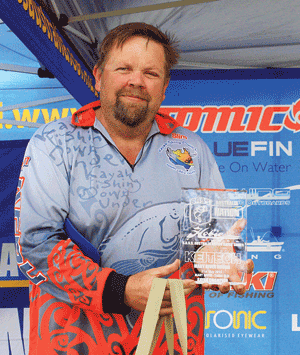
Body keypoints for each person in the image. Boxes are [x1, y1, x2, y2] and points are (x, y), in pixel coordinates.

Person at [15, 22, 253, 354]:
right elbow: (35, 242)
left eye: (151, 73)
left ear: (165, 86)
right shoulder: (56, 142)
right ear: (98, 75)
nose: (136, 81)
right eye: (124, 68)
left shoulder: (192, 149)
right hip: (75, 341)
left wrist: (220, 260)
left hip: (170, 341)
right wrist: (121, 290)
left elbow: (221, 238)